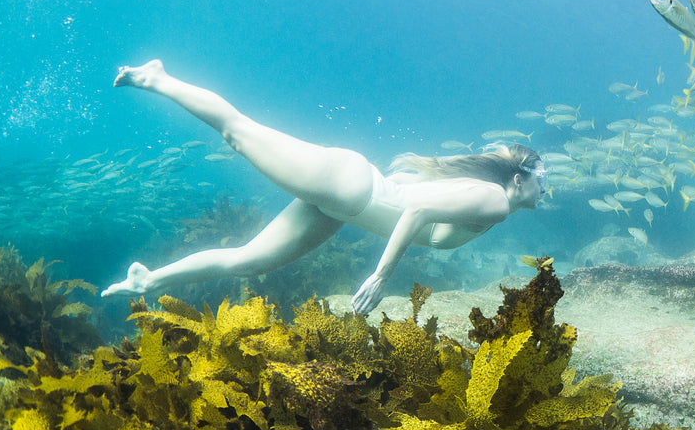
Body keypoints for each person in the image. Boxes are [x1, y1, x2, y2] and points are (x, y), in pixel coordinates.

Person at [100, 60, 545, 314]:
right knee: (237, 132)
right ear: (518, 179)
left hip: (344, 203)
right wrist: (381, 276)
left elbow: (412, 195)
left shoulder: (483, 198)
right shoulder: (496, 203)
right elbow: (416, 212)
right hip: (349, 189)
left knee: (246, 262)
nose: (546, 189)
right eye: (542, 179)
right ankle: (156, 77)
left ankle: (149, 281)